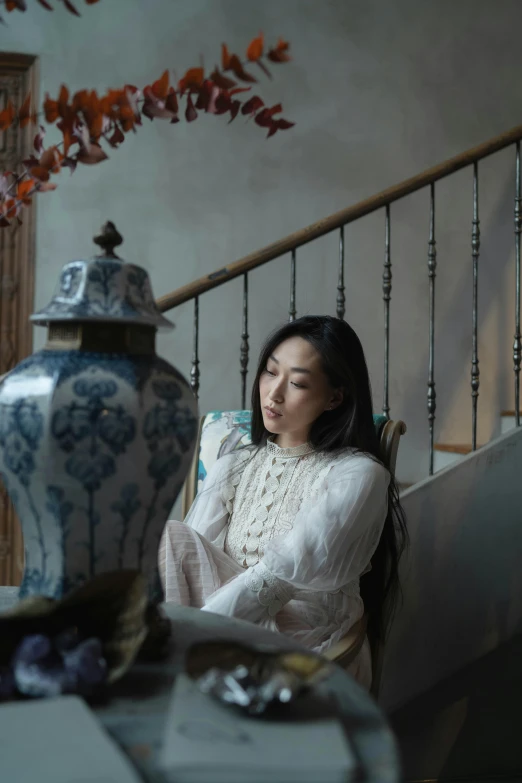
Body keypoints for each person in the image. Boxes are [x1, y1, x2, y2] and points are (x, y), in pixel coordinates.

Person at [159, 315, 407, 688]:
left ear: (335, 397)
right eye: (270, 373)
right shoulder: (236, 463)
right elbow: (188, 555)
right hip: (223, 615)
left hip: (302, 635)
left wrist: (196, 634)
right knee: (171, 537)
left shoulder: (358, 474)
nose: (273, 394)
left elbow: (282, 574)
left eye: (297, 383)